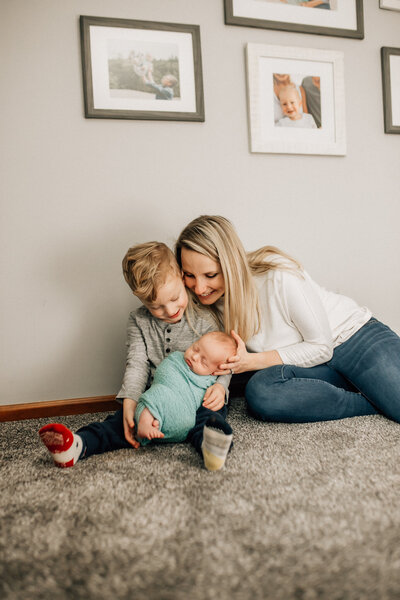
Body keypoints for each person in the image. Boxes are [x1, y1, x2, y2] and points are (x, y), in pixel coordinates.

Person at [175, 215, 400, 427]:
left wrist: (251, 362)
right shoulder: (204, 302)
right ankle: (368, 399)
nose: (199, 288)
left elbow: (321, 347)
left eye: (210, 275)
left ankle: (375, 393)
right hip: (304, 364)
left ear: (230, 265)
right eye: (190, 275)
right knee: (261, 392)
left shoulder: (276, 274)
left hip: (352, 338)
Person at [39, 242, 233, 472]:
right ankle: (77, 445)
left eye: (174, 298)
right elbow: (137, 364)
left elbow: (226, 364)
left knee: (210, 415)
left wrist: (220, 388)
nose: (170, 310)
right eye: (156, 307)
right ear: (140, 299)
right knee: (120, 423)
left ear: (181, 278)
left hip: (196, 397)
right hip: (154, 402)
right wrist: (131, 402)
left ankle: (210, 448)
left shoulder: (204, 318)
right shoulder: (138, 321)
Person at [136, 331, 236, 456]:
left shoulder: (211, 381)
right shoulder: (177, 359)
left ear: (214, 372)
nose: (194, 357)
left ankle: (209, 445)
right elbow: (163, 373)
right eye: (195, 348)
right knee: (156, 394)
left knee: (212, 411)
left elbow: (226, 374)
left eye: (203, 362)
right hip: (165, 395)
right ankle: (144, 424)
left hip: (185, 419)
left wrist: (220, 388)